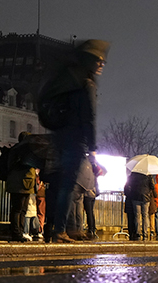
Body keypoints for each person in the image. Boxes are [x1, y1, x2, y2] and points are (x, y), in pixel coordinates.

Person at [39, 39, 109, 243]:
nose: (102, 65)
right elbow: (89, 118)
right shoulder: (87, 85)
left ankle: (61, 227)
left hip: (61, 136)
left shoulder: (69, 83)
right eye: (99, 61)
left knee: (64, 185)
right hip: (76, 139)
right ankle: (61, 229)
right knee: (68, 186)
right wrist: (93, 147)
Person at [5, 136, 37, 242]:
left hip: (17, 184)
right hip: (25, 183)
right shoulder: (27, 151)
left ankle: (17, 232)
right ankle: (18, 232)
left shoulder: (15, 150)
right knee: (21, 210)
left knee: (17, 209)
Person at [124, 171, 155, 241]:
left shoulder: (133, 176)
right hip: (146, 198)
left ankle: (138, 233)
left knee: (137, 215)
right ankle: (145, 233)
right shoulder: (149, 176)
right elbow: (152, 187)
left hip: (135, 197)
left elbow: (129, 186)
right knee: (145, 215)